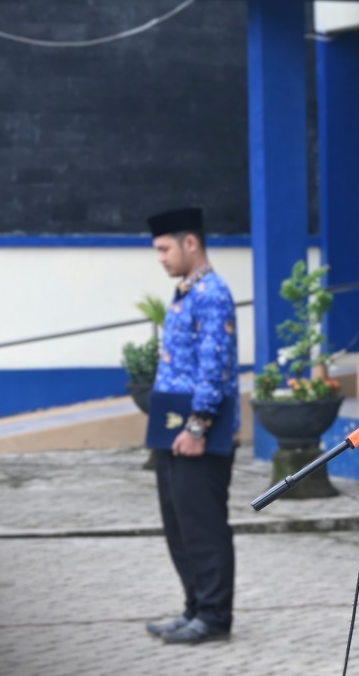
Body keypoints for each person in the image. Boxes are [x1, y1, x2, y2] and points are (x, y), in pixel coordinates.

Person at [143, 206, 240, 645]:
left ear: (190, 243)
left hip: (201, 432)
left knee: (202, 526)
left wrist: (198, 427)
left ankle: (215, 617)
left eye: (164, 248)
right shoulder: (186, 291)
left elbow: (214, 367)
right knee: (179, 526)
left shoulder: (211, 293)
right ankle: (195, 608)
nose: (160, 257)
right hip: (174, 429)